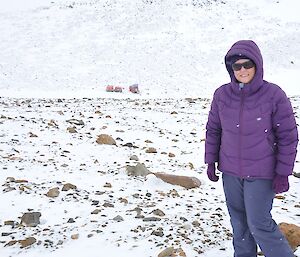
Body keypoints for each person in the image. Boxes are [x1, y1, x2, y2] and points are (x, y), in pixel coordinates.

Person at [204, 40, 298, 257]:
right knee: (239, 226)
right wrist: (211, 160)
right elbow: (213, 130)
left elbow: (288, 137)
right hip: (231, 172)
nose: (243, 70)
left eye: (247, 64)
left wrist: (283, 173)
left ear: (257, 65)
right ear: (231, 69)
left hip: (262, 172)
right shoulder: (222, 95)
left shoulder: (273, 95)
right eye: (237, 66)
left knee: (259, 223)